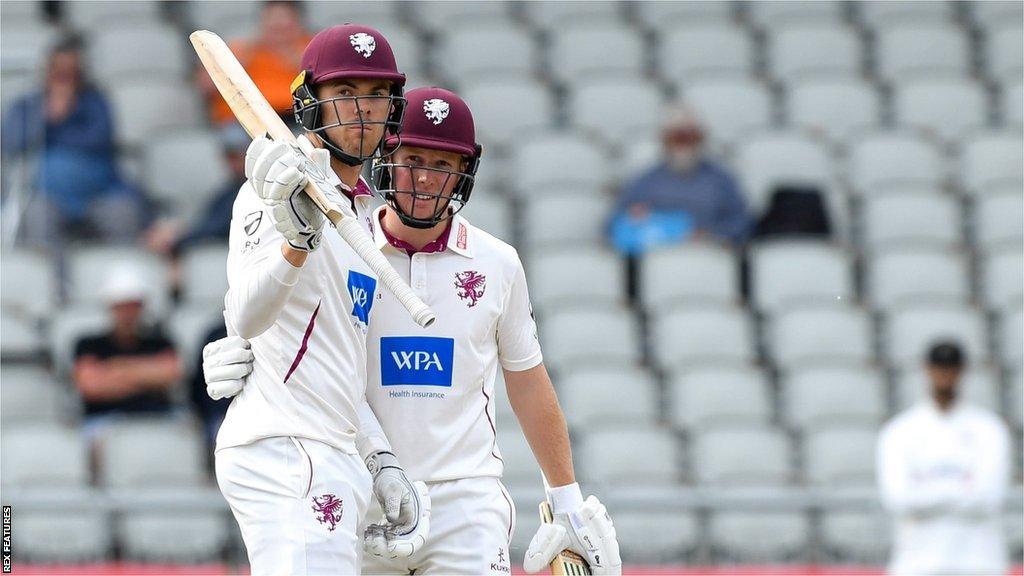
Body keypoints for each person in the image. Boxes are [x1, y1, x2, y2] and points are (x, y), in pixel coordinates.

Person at [205, 86, 622, 575]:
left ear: (466, 172)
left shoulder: (497, 263)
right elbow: (293, 330)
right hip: (367, 495)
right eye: (412, 159)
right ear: (385, 159)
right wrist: (249, 353)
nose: (424, 178)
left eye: (444, 165)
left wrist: (566, 494)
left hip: (466, 502)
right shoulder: (342, 247)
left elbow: (528, 380)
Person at [209, 23, 427, 576]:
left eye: (377, 96)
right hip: (288, 445)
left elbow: (337, 362)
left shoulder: (358, 215)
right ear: (310, 102)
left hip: (330, 450)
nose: (362, 112)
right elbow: (246, 315)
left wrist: (379, 459)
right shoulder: (274, 185)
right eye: (345, 93)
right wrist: (295, 244)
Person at [877, 340, 1011, 575]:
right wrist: (960, 489)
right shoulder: (900, 431)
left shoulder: (989, 429)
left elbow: (989, 496)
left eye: (951, 367)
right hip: (918, 564)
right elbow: (898, 499)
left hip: (978, 562)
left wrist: (926, 490)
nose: (945, 374)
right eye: (939, 367)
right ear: (927, 369)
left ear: (962, 370)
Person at [2, 35, 147, 249]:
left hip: (98, 193)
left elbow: (97, 141)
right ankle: (49, 281)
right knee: (35, 217)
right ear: (47, 72)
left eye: (70, 73)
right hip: (46, 196)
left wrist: (59, 123)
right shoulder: (27, 106)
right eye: (59, 72)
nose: (64, 79)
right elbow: (11, 142)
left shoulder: (96, 103)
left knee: (124, 212)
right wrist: (46, 118)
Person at [612, 103, 750, 252]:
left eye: (690, 137)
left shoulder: (721, 180)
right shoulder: (645, 182)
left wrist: (712, 235)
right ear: (665, 140)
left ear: (701, 138)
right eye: (678, 137)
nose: (685, 145)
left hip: (711, 255)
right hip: (657, 257)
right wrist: (635, 220)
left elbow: (743, 222)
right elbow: (613, 226)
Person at [72, 267, 181, 438]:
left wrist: (114, 369)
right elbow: (91, 385)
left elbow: (171, 374)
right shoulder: (88, 344)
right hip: (103, 421)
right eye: (122, 307)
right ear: (110, 307)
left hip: (157, 419)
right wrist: (148, 375)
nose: (128, 313)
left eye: (133, 306)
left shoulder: (161, 341)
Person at [196, 0, 311, 127]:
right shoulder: (240, 50)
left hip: (300, 116)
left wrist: (301, 62)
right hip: (249, 119)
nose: (279, 32)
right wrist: (237, 63)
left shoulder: (312, 49)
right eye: (273, 26)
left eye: (285, 28)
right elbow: (205, 87)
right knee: (234, 137)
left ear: (298, 23)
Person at [145, 123, 250, 258]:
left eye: (237, 156)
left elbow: (217, 229)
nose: (232, 163)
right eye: (228, 156)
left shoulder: (255, 193)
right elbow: (209, 224)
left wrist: (177, 237)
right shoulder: (226, 193)